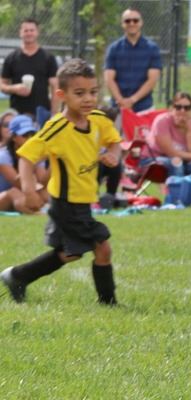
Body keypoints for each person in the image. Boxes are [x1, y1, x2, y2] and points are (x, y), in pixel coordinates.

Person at [1, 59, 123, 305]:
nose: (88, 99)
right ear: (61, 95)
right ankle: (108, 303)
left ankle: (17, 276)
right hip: (66, 203)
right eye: (79, 93)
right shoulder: (56, 129)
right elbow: (26, 157)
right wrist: (29, 191)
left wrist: (113, 155)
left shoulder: (98, 119)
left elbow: (114, 141)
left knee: (70, 253)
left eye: (93, 92)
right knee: (102, 247)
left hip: (82, 201)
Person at [104, 8, 163, 113]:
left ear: (141, 23)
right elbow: (109, 79)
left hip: (144, 108)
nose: (132, 23)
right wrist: (121, 101)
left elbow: (152, 80)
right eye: (127, 21)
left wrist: (132, 100)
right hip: (117, 108)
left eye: (135, 20)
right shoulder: (113, 49)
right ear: (122, 24)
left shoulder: (152, 48)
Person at [0, 18, 60, 117]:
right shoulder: (11, 58)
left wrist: (54, 112)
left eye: (32, 30)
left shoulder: (48, 57)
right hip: (17, 113)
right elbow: (2, 85)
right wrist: (14, 88)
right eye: (26, 30)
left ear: (37, 32)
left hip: (42, 112)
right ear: (20, 33)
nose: (29, 33)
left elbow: (55, 86)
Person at [147, 92, 191, 177]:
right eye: (178, 107)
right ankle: (177, 186)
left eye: (187, 108)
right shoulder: (162, 122)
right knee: (176, 162)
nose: (182, 111)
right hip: (154, 157)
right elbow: (170, 152)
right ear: (172, 108)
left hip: (183, 159)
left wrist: (189, 130)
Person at [0, 115, 50, 214]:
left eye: (32, 134)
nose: (29, 138)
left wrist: (54, 164)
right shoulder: (3, 156)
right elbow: (19, 183)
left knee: (45, 192)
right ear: (14, 137)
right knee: (14, 192)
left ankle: (53, 212)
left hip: (24, 194)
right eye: (25, 135)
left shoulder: (36, 154)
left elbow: (43, 181)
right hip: (4, 196)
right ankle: (40, 215)